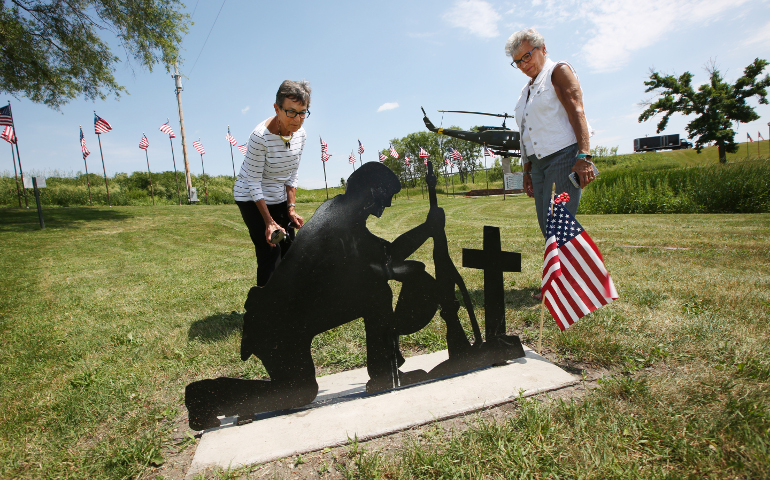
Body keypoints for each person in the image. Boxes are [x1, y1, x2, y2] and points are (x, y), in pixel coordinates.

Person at [506, 28, 596, 239]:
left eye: (527, 56)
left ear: (543, 48)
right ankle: (559, 270)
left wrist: (584, 155)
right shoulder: (525, 91)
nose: (523, 65)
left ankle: (570, 270)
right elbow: (526, 132)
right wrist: (527, 170)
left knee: (561, 226)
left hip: (563, 156)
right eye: (518, 62)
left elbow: (577, 110)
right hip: (538, 165)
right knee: (547, 227)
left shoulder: (558, 71)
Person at [233, 80, 311, 286]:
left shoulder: (301, 135)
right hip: (251, 197)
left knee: (290, 251)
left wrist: (290, 209)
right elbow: (253, 181)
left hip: (278, 195)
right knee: (270, 251)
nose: (298, 119)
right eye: (291, 112)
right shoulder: (260, 137)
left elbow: (292, 174)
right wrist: (268, 222)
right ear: (277, 108)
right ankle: (264, 315)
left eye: (303, 112)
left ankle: (287, 309)